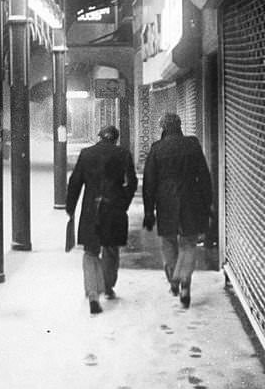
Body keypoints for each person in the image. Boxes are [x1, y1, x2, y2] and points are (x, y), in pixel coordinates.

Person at [142, 112, 213, 309]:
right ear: (180, 125)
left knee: (168, 241)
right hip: (191, 200)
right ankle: (184, 284)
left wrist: (149, 211)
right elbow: (204, 176)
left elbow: (149, 182)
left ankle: (174, 278)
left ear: (163, 128)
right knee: (189, 243)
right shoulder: (192, 144)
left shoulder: (157, 148)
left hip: (165, 202)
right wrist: (208, 204)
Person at [66, 125, 138, 315]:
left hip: (91, 208)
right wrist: (124, 202)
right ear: (116, 139)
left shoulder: (87, 154)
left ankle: (92, 294)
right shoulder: (123, 154)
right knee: (111, 249)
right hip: (114, 208)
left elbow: (75, 182)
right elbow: (132, 183)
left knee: (90, 252)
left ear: (99, 137)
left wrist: (70, 208)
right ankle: (107, 287)